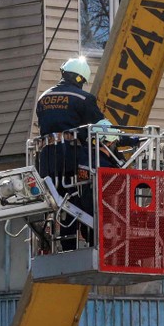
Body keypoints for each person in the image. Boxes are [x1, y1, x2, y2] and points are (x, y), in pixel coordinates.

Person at [34, 57, 105, 249]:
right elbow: (102, 128)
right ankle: (89, 242)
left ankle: (62, 243)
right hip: (70, 159)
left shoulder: (43, 98)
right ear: (81, 79)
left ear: (63, 73)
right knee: (77, 200)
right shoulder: (83, 99)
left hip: (47, 162)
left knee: (61, 203)